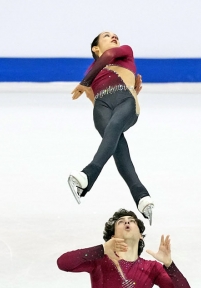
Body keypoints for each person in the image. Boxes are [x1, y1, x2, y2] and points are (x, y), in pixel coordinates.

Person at [67, 31, 153, 224]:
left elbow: (108, 56)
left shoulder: (124, 52)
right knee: (118, 147)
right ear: (95, 48)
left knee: (114, 127)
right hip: (102, 109)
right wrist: (88, 86)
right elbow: (93, 98)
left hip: (126, 102)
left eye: (115, 35)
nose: (113, 37)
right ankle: (142, 197)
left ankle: (88, 175)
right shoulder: (91, 69)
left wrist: (85, 82)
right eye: (106, 36)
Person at [57, 209, 189, 287]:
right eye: (121, 221)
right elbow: (63, 263)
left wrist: (169, 265)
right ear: (113, 235)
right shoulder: (100, 261)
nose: (127, 222)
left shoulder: (153, 268)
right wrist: (101, 249)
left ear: (140, 236)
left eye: (132, 221)